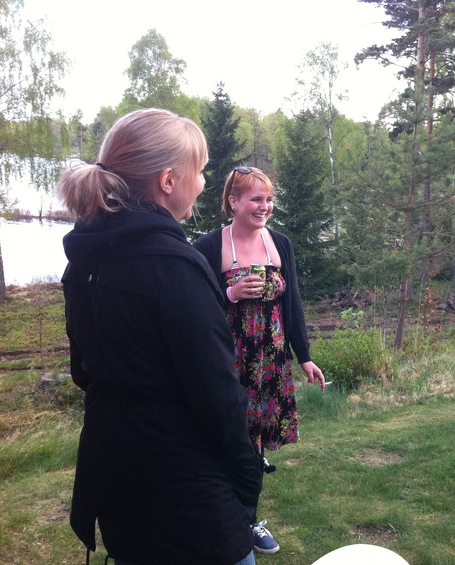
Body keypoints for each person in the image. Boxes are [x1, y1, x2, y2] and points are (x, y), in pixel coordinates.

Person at [58, 109, 261, 565]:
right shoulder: (174, 266)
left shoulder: (83, 258)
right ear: (168, 180)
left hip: (117, 481)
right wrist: (248, 480)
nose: (204, 183)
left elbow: (83, 372)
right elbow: (219, 395)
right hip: (188, 497)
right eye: (200, 171)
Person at [194, 166, 326, 554]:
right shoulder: (209, 246)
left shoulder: (280, 244)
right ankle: (218, 515)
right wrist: (230, 294)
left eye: (269, 199)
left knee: (255, 444)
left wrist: (304, 357)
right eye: (256, 199)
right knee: (225, 439)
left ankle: (248, 521)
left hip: (270, 362)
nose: (264, 206)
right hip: (226, 362)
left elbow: (292, 303)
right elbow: (193, 306)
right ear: (233, 202)